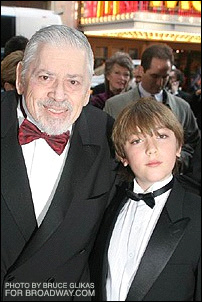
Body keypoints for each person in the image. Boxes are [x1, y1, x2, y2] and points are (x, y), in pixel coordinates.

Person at [1, 25, 118, 301]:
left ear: (89, 90)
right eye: (45, 77)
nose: (58, 95)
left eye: (73, 82)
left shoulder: (109, 137)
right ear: (20, 78)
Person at [90, 98, 201, 301]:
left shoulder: (197, 214)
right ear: (123, 155)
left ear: (178, 147)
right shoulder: (106, 206)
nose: (151, 149)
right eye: (137, 140)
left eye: (161, 136)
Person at [103, 43, 200, 174]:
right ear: (142, 71)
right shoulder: (115, 105)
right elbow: (105, 147)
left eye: (165, 77)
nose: (160, 83)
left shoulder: (182, 107)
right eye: (154, 76)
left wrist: (179, 158)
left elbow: (193, 143)